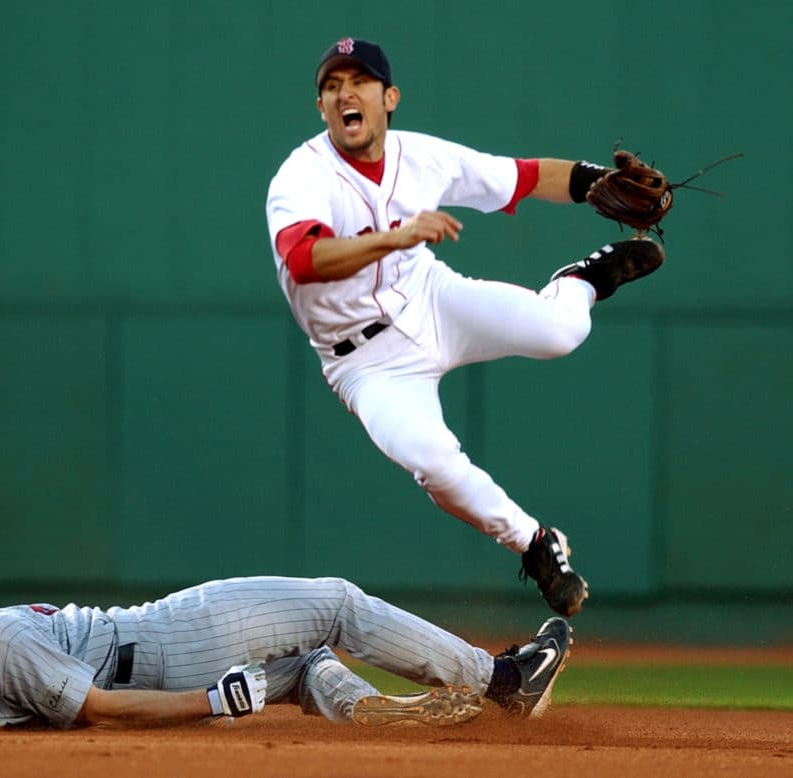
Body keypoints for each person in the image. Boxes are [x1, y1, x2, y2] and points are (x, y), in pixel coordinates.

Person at [266, 38, 667, 618]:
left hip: (431, 300)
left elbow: (522, 177)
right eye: (332, 85)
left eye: (359, 81)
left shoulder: (421, 156)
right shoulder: (301, 175)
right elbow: (305, 261)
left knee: (561, 333)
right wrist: (395, 238)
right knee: (434, 464)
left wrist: (592, 179)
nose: (344, 93)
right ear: (321, 106)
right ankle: (536, 545)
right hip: (364, 363)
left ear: (389, 97)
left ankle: (582, 279)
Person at [0, 551, 570, 729]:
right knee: (336, 604)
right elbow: (99, 710)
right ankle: (502, 680)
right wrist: (210, 700)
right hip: (166, 642)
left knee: (307, 665)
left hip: (146, 652)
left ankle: (379, 720)